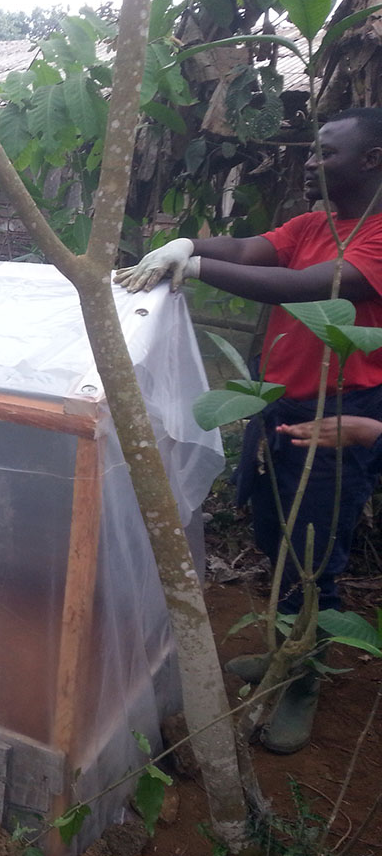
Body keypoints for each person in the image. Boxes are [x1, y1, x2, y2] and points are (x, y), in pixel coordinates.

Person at [115, 106, 382, 753]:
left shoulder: (375, 237)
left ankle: (301, 684)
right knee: (274, 533)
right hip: (282, 410)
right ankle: (283, 653)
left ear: (372, 160)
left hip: (338, 418)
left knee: (314, 556)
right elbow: (250, 249)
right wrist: (190, 245)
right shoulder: (317, 223)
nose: (313, 162)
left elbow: (305, 287)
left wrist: (196, 270)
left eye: (328, 153)